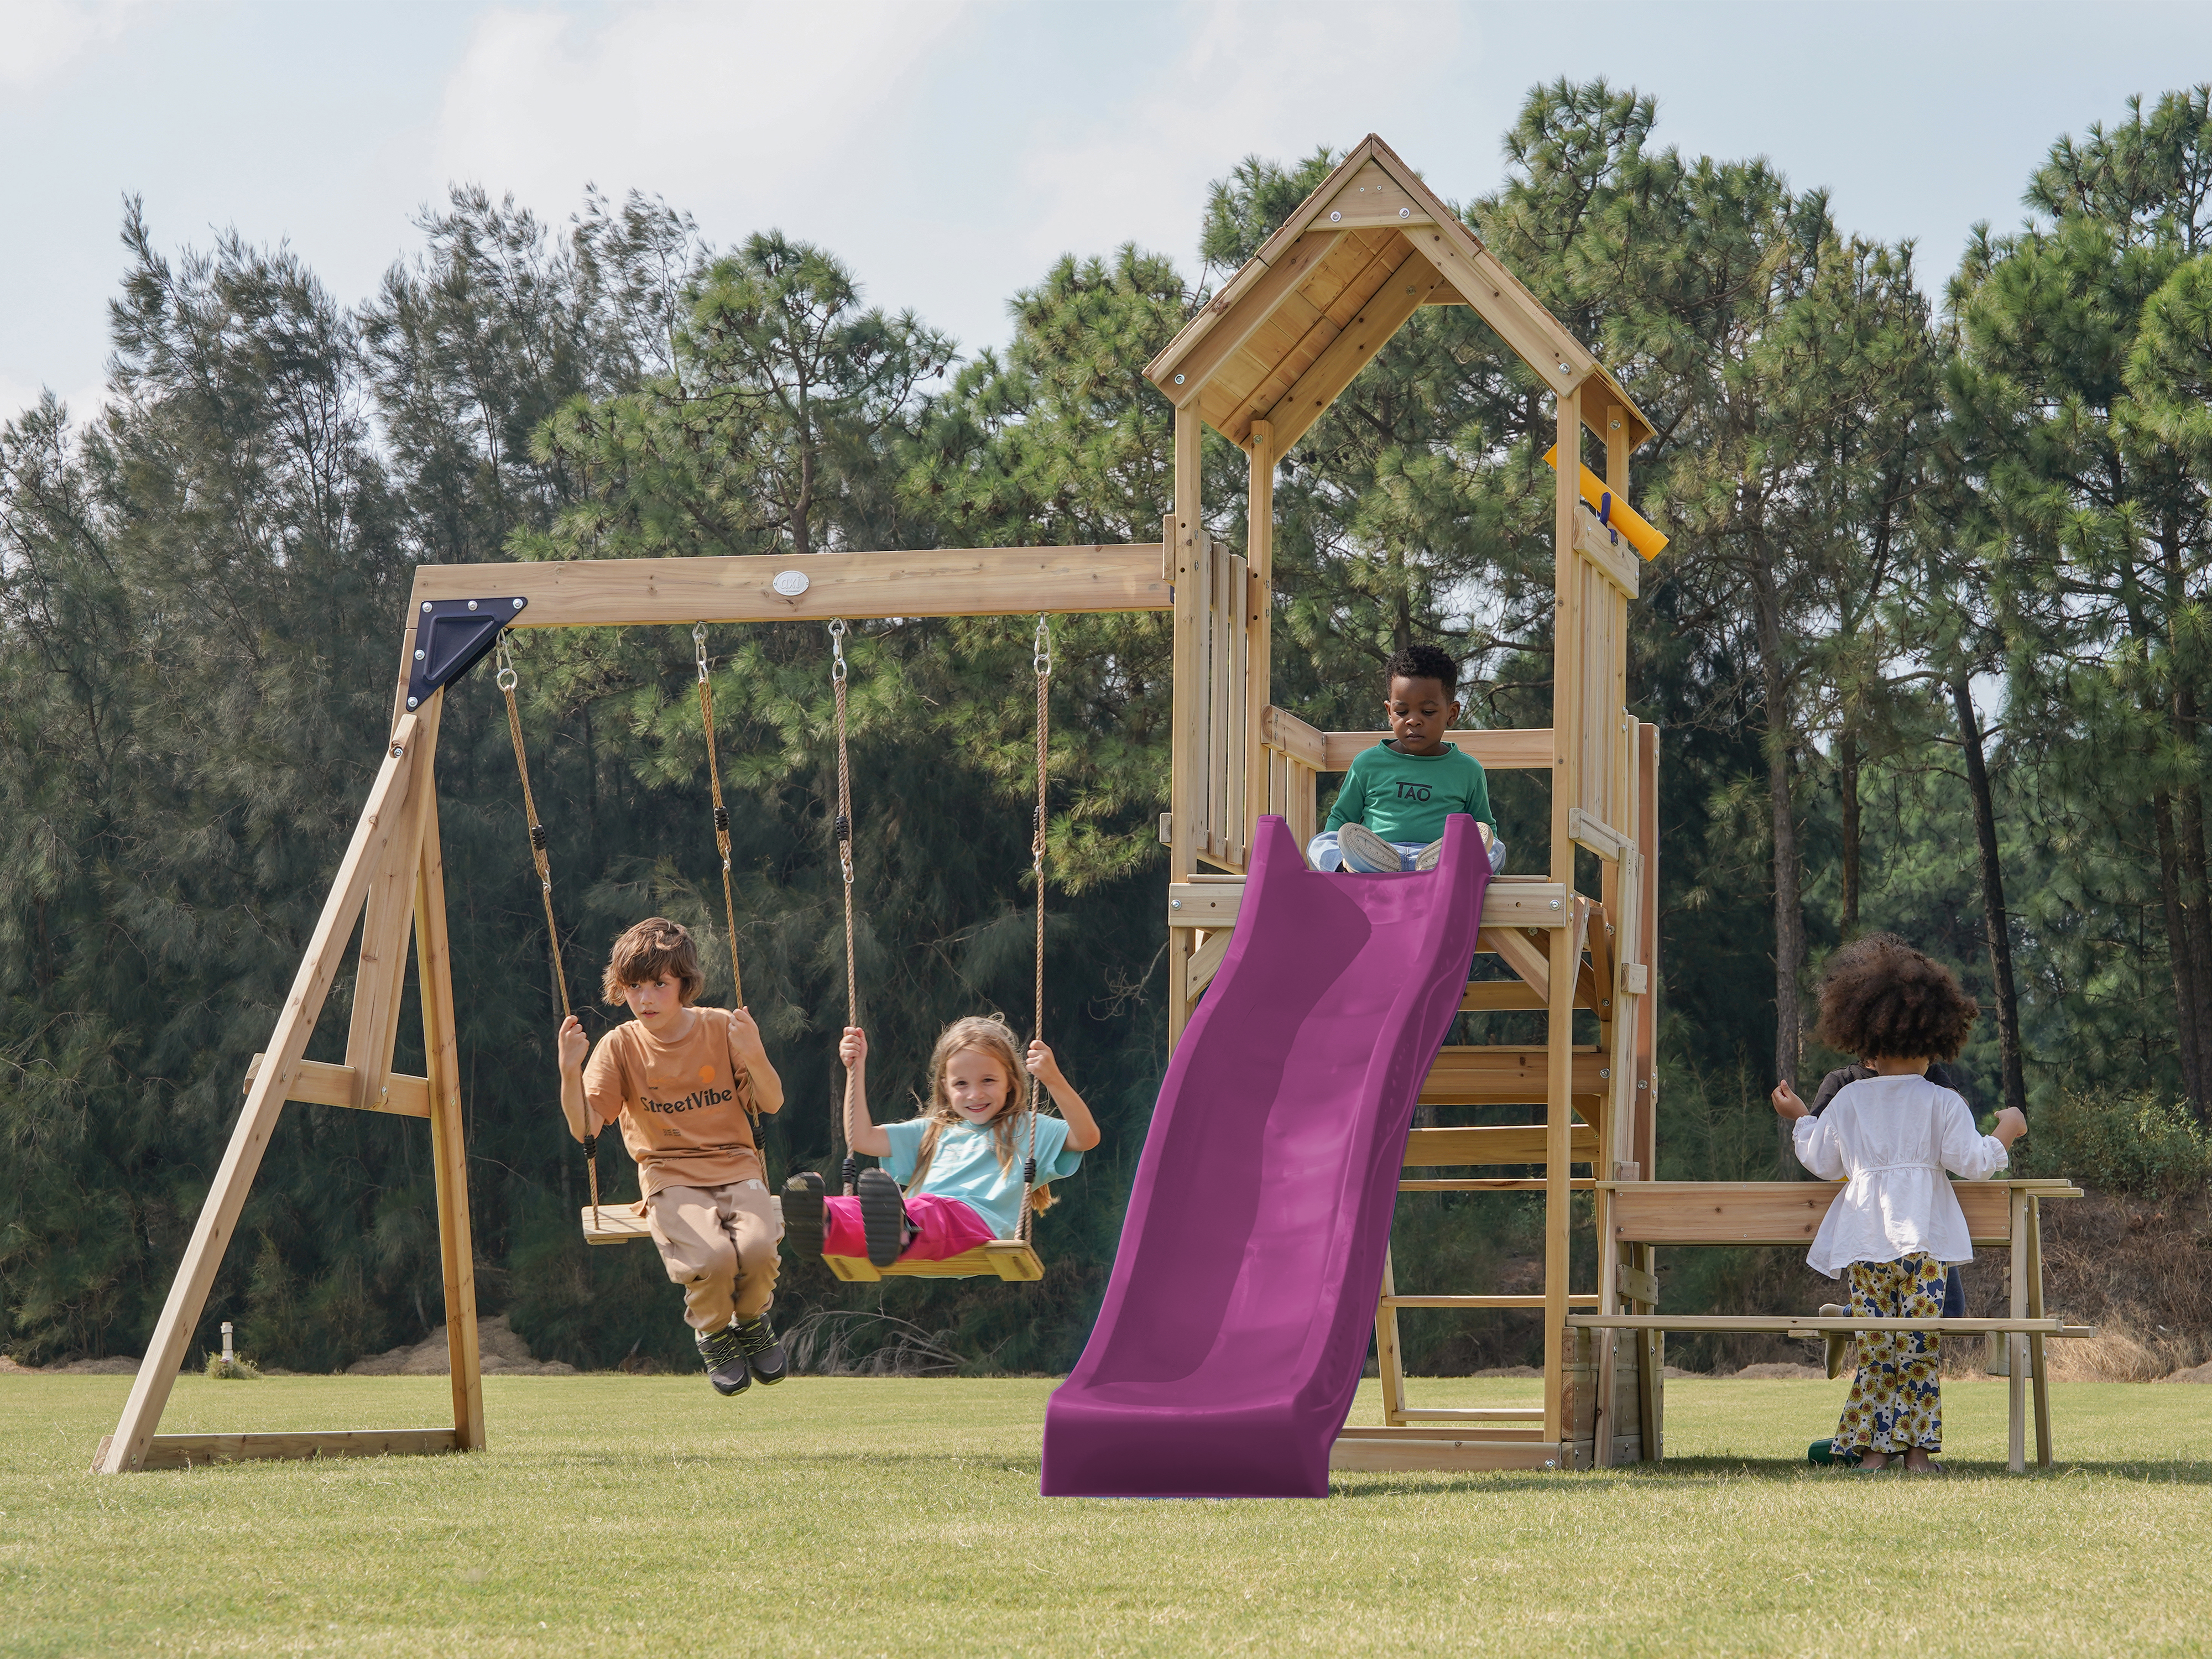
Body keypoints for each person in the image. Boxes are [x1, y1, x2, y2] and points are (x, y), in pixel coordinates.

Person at [1771, 935, 2026, 1473]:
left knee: (1876, 1352)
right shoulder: (1941, 1102)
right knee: (1917, 1352)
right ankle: (1916, 1456)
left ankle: (1869, 1455)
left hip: (1865, 1244)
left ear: (1865, 1037)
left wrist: (1800, 1118)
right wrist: (2006, 1130)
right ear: (1936, 1040)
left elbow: (1820, 1160)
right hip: (1923, 1245)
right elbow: (1974, 1161)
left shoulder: (1847, 1099)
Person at [556, 917, 788, 1397]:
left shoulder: (722, 1028)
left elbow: (772, 1102)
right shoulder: (619, 1047)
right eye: (634, 987)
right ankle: (714, 1332)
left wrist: (755, 1051)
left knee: (761, 1250)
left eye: (659, 985)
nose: (645, 999)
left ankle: (750, 1320)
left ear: (684, 983)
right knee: (713, 1256)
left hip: (737, 1164)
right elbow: (585, 1127)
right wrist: (568, 1071)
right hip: (669, 1174)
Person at [781, 1015, 1099, 1270]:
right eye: (962, 1084)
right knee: (861, 1208)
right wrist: (856, 1069)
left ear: (1011, 1082)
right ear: (946, 1089)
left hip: (974, 1226)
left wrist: (1053, 1079)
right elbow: (861, 1137)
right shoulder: (934, 1132)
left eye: (988, 1080)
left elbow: (1086, 1138)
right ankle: (824, 1221)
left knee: (930, 1209)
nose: (975, 1094)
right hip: (917, 1217)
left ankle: (899, 1232)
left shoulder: (1027, 1129)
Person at [1305, 643, 1501, 874]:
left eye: (1427, 712)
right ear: (1389, 713)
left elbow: (1485, 827)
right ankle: (1347, 869)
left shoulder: (1468, 769)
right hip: (1376, 857)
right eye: (1402, 712)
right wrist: (1338, 858)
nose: (1413, 721)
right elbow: (1341, 818)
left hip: (1438, 857)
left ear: (1452, 713)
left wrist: (1489, 876)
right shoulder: (1367, 764)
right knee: (1317, 844)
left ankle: (1449, 867)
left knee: (1497, 848)